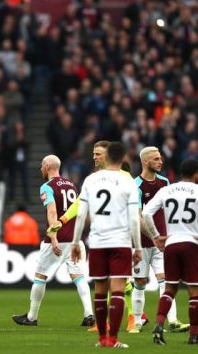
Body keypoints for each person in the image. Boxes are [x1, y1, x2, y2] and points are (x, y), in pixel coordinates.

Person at [48, 140, 140, 332]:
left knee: (122, 283)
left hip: (120, 235)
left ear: (107, 155)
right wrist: (62, 221)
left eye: (98, 153)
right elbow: (80, 204)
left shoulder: (125, 177)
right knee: (105, 282)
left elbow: (134, 212)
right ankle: (104, 323)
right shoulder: (93, 178)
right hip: (99, 236)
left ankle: (133, 318)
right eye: (93, 153)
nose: (94, 157)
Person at [70, 142, 143, 348]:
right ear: (123, 159)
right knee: (118, 290)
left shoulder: (91, 180)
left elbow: (82, 214)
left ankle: (102, 339)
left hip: (97, 241)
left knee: (100, 290)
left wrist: (75, 242)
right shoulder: (128, 181)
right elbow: (134, 219)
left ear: (107, 156)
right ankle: (113, 339)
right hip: (120, 241)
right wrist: (137, 247)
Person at [12, 154, 95, 327]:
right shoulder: (72, 185)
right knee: (79, 276)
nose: (40, 168)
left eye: (42, 165)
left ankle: (32, 317)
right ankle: (89, 314)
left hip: (57, 238)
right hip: (74, 238)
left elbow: (52, 212)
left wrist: (53, 237)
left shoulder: (47, 187)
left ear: (49, 166)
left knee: (40, 276)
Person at [143, 159, 198, 345]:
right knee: (195, 292)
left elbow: (145, 213)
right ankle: (193, 336)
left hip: (171, 243)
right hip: (192, 244)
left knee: (170, 288)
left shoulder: (166, 190)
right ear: (197, 173)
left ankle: (159, 324)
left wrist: (156, 236)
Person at [130, 147, 189, 334]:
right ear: (145, 162)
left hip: (162, 243)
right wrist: (155, 237)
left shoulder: (165, 182)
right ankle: (137, 322)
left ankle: (172, 321)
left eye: (160, 158)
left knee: (166, 280)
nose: (160, 162)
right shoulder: (134, 186)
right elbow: (137, 218)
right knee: (140, 282)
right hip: (141, 243)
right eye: (156, 159)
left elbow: (170, 212)